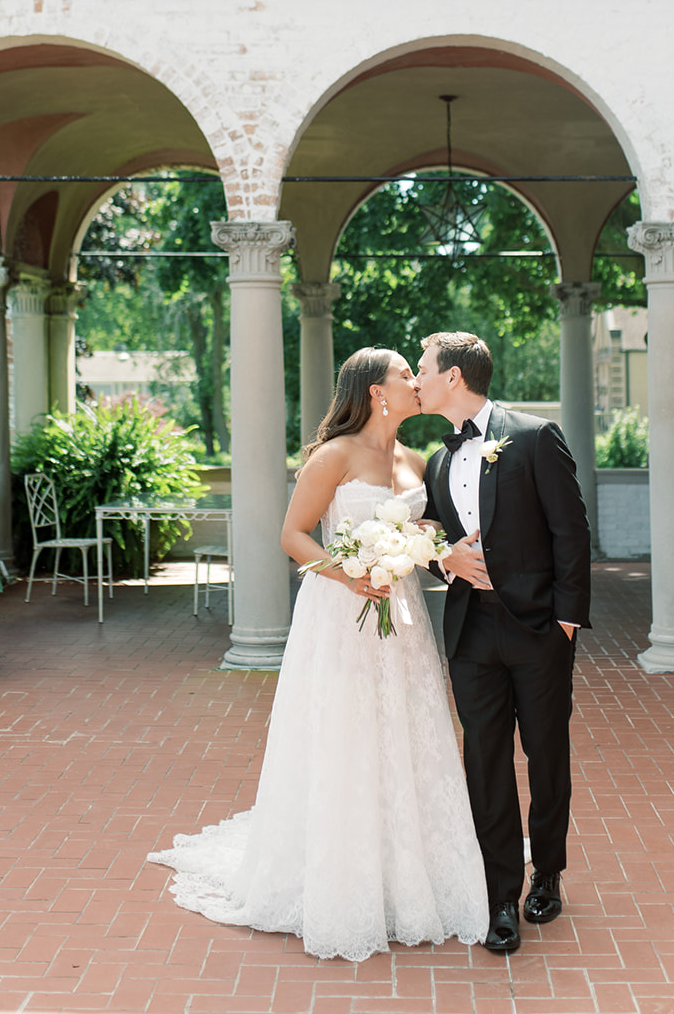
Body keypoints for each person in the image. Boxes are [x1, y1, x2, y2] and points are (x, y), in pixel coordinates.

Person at [147, 346, 488, 963]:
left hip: (402, 619)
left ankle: (408, 867)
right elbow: (292, 536)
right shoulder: (333, 456)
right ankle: (340, 876)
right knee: (346, 734)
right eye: (405, 375)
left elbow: (429, 531)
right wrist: (351, 573)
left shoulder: (414, 458)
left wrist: (428, 551)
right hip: (341, 614)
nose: (417, 382)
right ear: (376, 392)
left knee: (403, 732)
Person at [415, 331, 591, 956]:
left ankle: (548, 870)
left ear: (455, 378)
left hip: (539, 630)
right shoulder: (436, 460)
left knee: (545, 755)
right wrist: (444, 565)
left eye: (423, 369)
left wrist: (566, 621)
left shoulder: (536, 438)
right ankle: (499, 897)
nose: (416, 380)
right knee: (484, 762)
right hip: (471, 632)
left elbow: (571, 532)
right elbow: (436, 540)